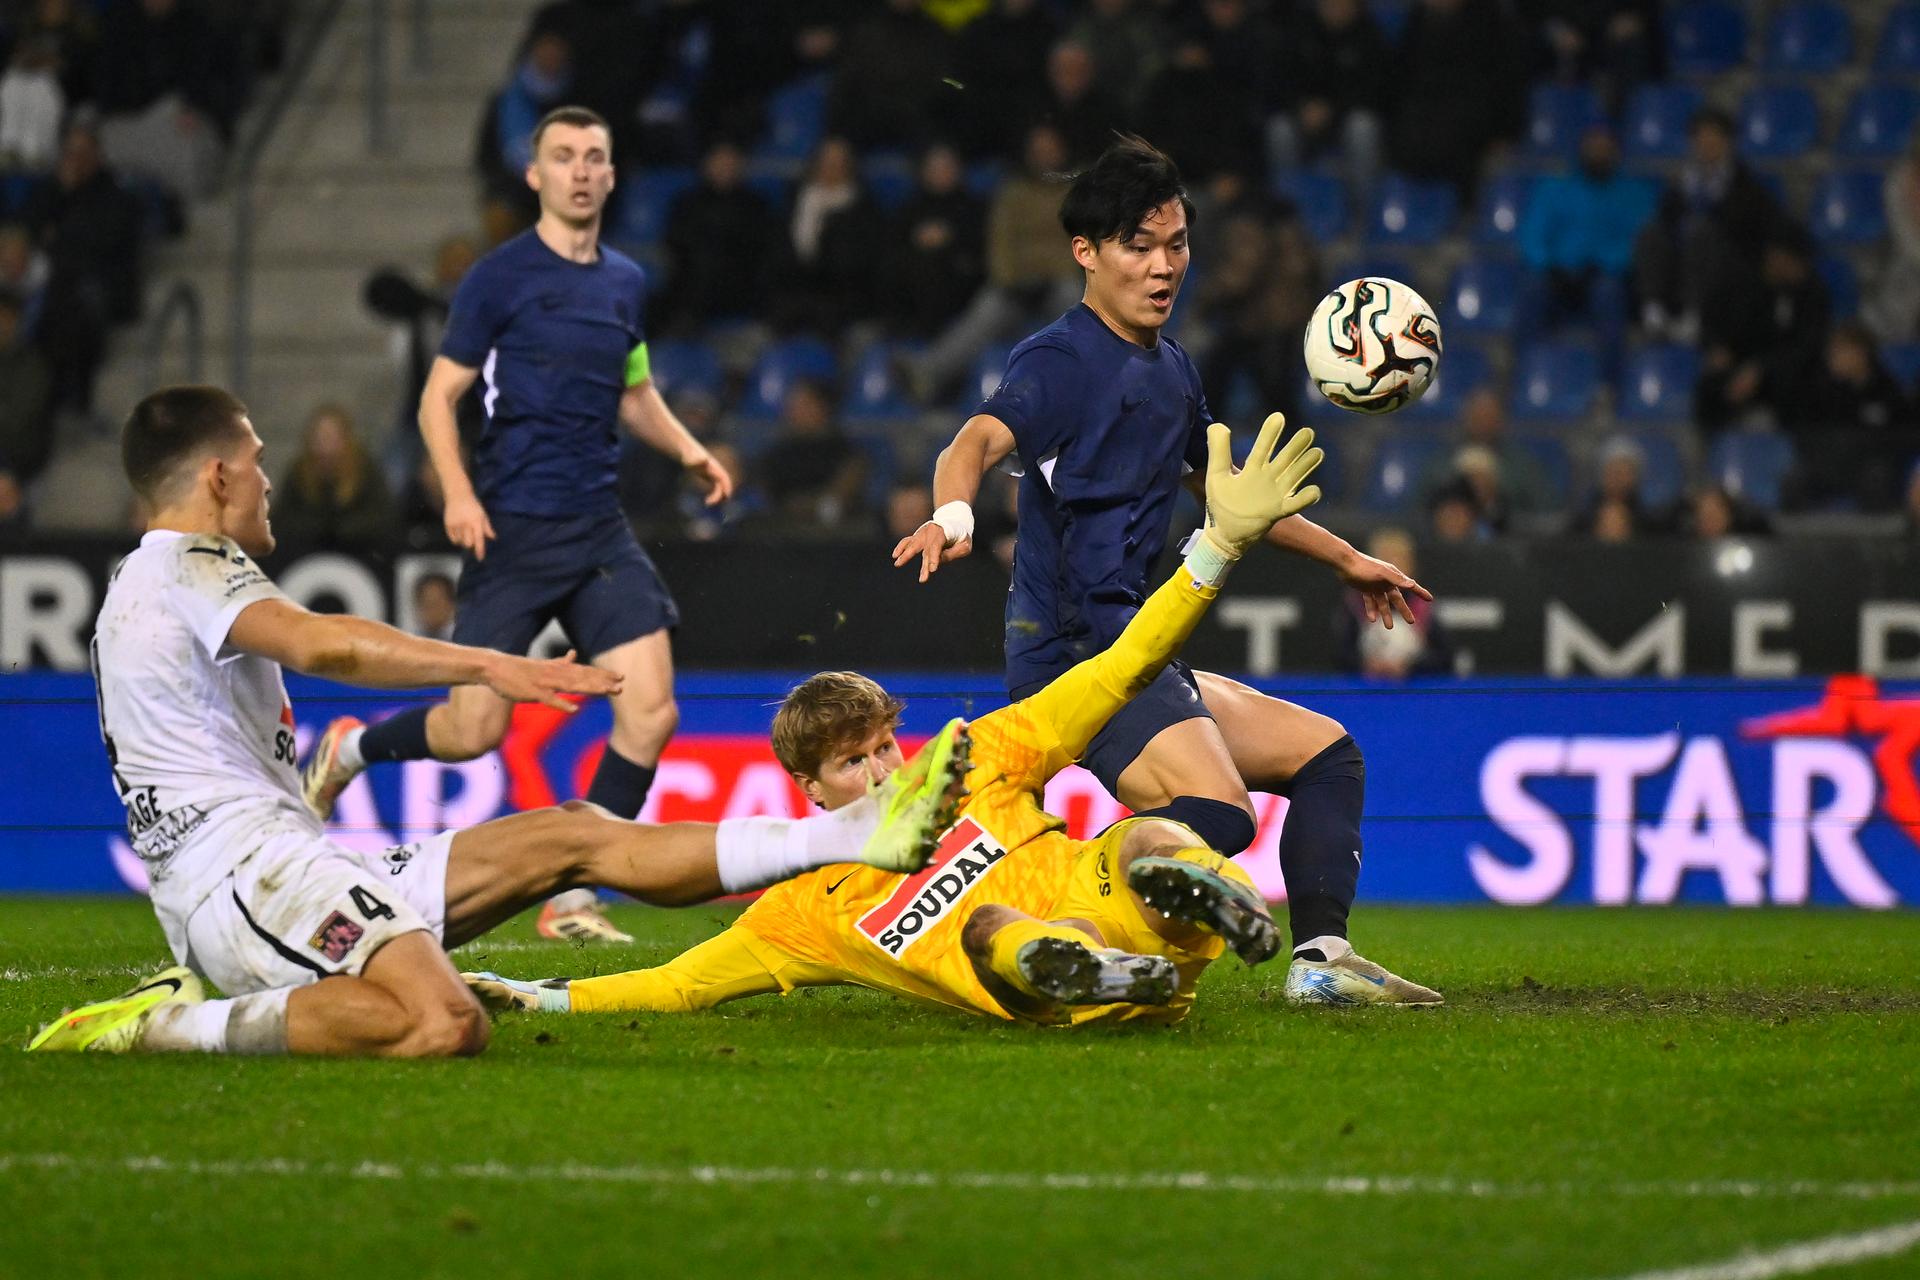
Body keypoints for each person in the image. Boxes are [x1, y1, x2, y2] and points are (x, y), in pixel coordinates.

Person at [28, 384, 969, 1057]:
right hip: (245, 880)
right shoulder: (185, 560)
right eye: (261, 466)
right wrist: (491, 665)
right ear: (221, 475)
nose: (270, 483)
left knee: (573, 833)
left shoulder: (150, 583)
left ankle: (850, 832)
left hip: (286, 860)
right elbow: (325, 647)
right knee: (443, 1023)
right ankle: (163, 1028)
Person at [472, 413, 1435, 1022]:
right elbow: (675, 984)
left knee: (1147, 837)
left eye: (885, 744)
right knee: (989, 932)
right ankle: (1080, 966)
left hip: (1125, 909)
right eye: (855, 764)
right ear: (806, 789)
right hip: (1038, 969)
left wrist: (1219, 546)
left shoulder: (973, 758)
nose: (887, 770)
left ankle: (1182, 906)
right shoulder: (803, 907)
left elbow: (1128, 661)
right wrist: (533, 994)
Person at [890, 137, 1438, 1005]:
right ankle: (1052, 918)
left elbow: (1229, 497)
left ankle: (1322, 964)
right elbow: (977, 440)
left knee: (1328, 755)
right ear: (1087, 253)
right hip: (1077, 659)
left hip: (1141, 647)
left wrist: (1349, 559)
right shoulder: (1060, 359)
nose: (1163, 266)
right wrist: (953, 512)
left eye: (1176, 244)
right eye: (1138, 246)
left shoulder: (1173, 368)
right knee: (1219, 814)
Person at [299, 106, 734, 945]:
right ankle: (353, 747)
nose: (579, 169)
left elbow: (634, 391)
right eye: (562, 156)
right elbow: (438, 397)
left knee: (652, 712)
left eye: (593, 157)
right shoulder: (498, 278)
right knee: (473, 731)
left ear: (610, 177)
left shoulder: (624, 283)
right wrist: (458, 492)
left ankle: (574, 897)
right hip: (512, 533)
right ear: (535, 175)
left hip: (598, 530)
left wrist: (689, 451)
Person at [267, 403, 397, 553]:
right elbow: (282, 520)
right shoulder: (298, 473)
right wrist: (317, 530)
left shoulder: (365, 471)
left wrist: (344, 531)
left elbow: (382, 518)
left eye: (331, 438)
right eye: (320, 438)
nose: (325, 447)